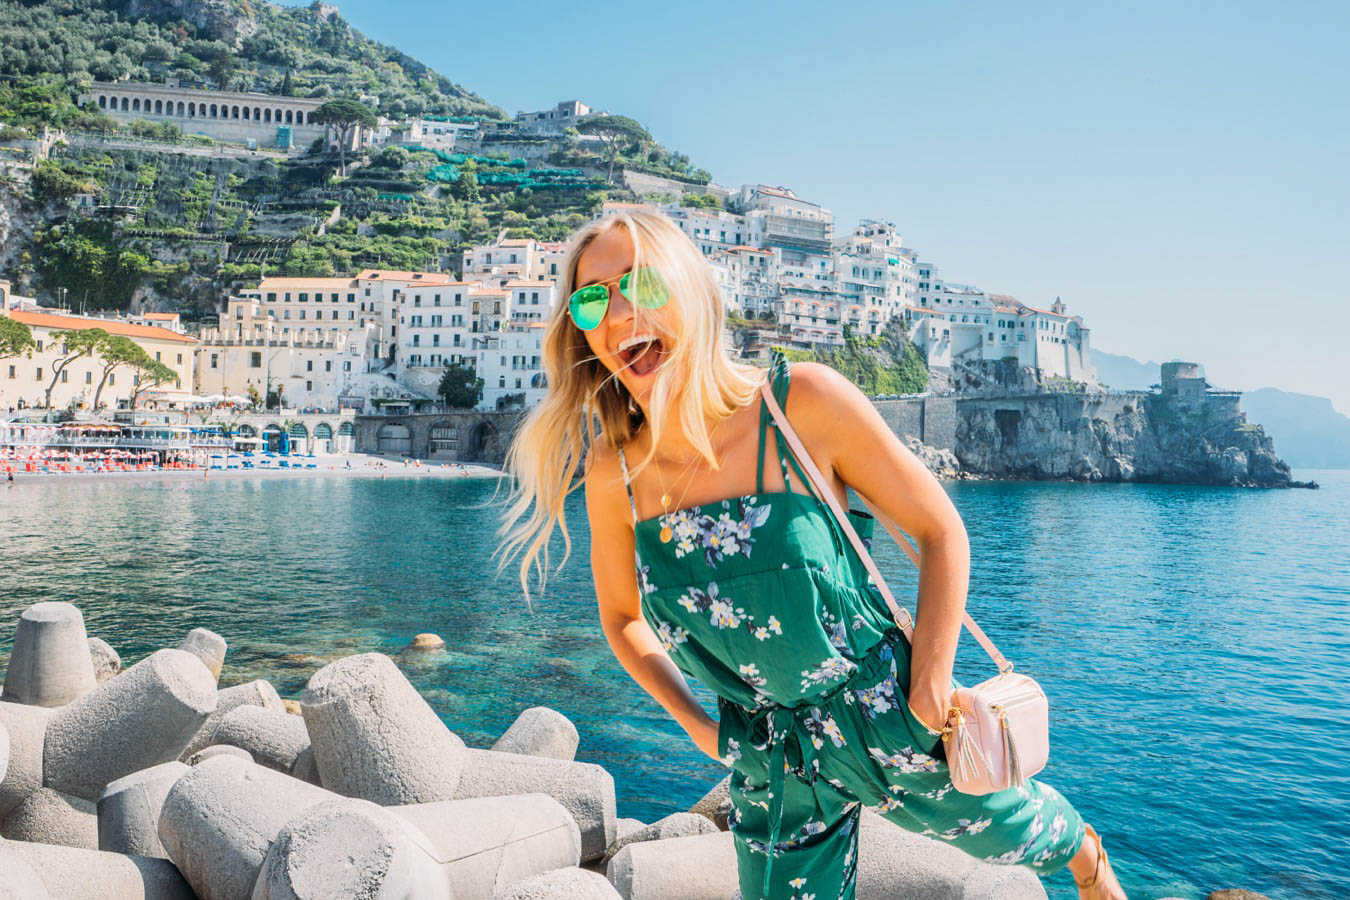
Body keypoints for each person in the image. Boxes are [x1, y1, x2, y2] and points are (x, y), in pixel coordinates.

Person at [496, 211, 1125, 899]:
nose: (618, 314)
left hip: (888, 713)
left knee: (1023, 835)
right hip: (768, 753)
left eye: (640, 284)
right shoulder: (613, 471)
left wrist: (928, 686)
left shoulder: (800, 404)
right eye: (592, 300)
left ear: (691, 289)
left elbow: (941, 530)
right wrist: (699, 725)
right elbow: (621, 619)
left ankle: (1089, 860)